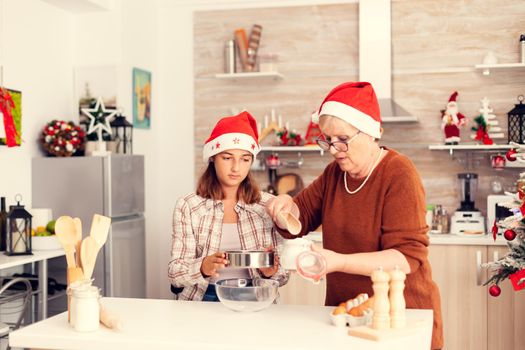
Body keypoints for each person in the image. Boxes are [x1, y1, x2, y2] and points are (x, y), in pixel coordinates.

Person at [266, 82, 443, 349]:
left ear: (371, 133)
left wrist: (338, 262)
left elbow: (406, 259)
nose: (334, 149)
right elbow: (298, 219)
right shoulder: (333, 175)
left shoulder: (399, 173)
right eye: (327, 139)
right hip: (346, 316)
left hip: (397, 317)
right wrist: (283, 208)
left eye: (343, 140)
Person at [169, 111, 288, 301]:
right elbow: (175, 273)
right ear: (212, 157)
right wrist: (202, 267)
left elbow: (282, 276)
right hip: (204, 297)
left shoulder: (267, 205)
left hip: (255, 296)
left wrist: (269, 272)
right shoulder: (189, 206)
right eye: (227, 158)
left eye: (245, 159)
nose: (236, 167)